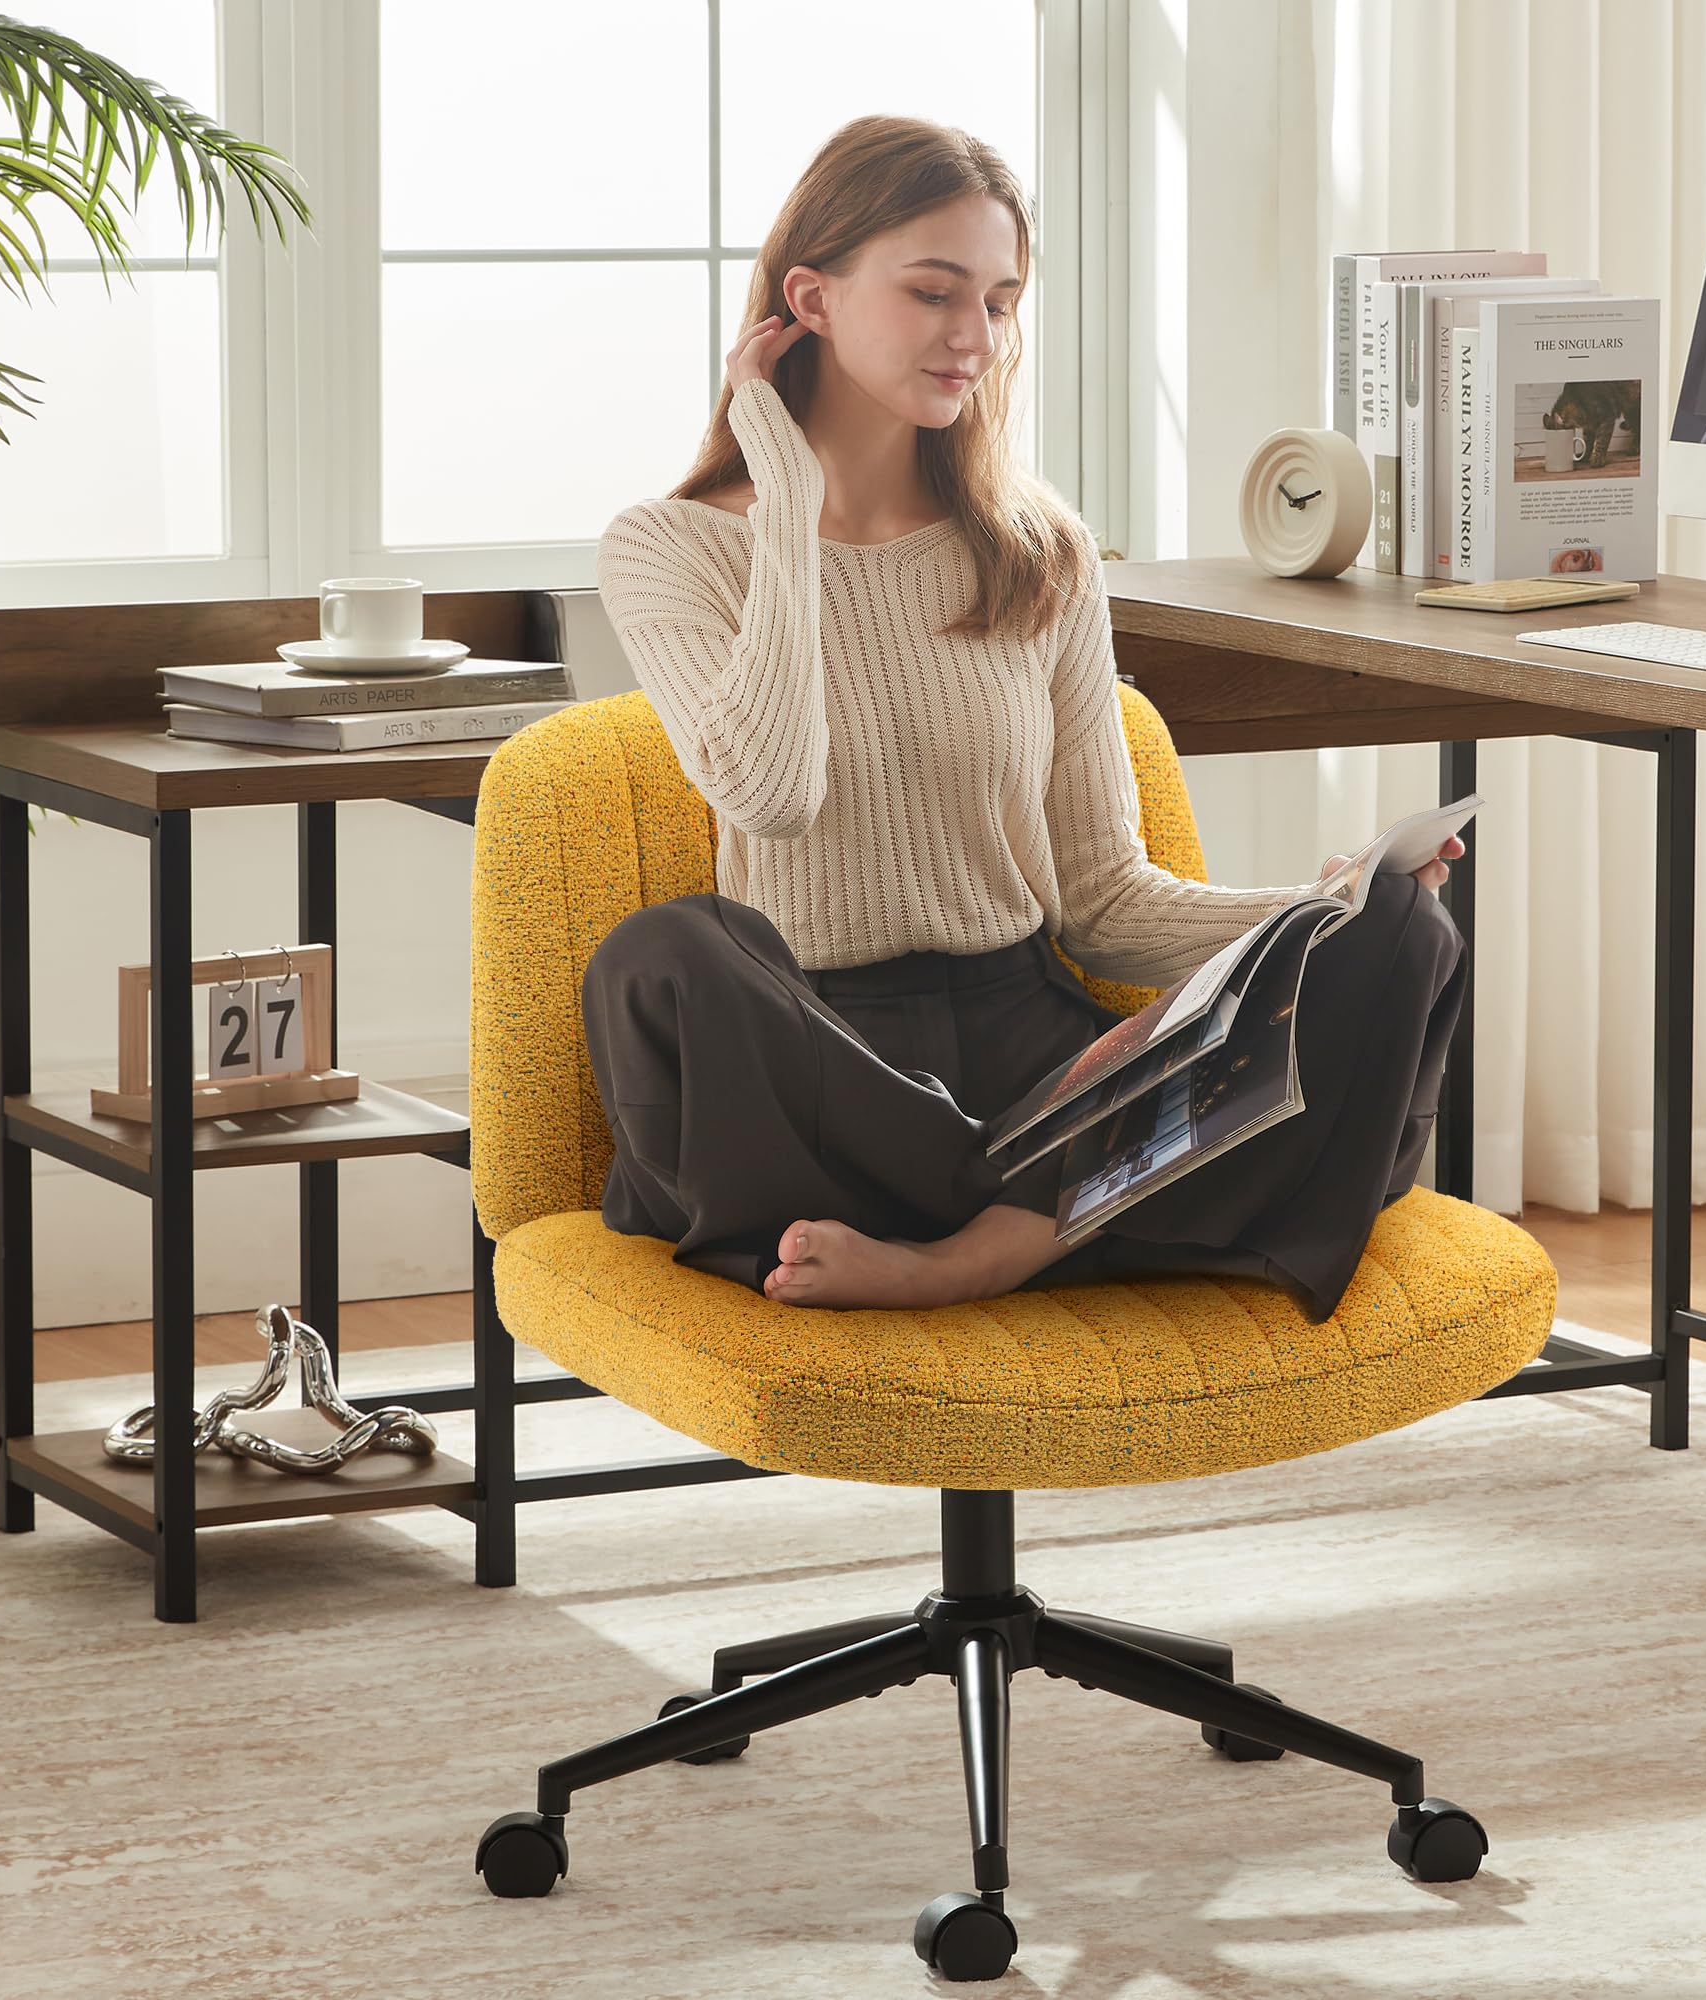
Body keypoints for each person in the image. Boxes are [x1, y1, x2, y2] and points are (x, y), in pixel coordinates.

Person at [587, 114, 1467, 1320]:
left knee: (1401, 932)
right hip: (825, 1068)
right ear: (811, 297)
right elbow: (770, 793)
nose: (975, 337)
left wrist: (1321, 910)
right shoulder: (667, 546)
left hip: (1028, 1069)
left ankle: (968, 1256)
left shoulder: (1036, 547)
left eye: (999, 303)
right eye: (933, 292)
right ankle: (1079, 1222)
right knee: (663, 957)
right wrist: (785, 499)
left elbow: (1102, 900)